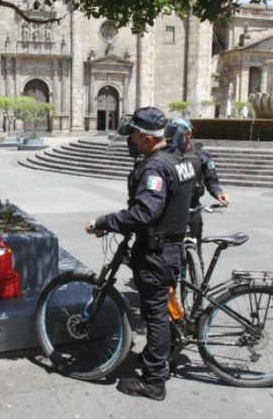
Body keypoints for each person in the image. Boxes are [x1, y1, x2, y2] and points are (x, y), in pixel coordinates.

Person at [85, 107, 195, 401]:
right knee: (162, 308)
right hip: (171, 246)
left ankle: (154, 382)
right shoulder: (179, 158)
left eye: (133, 135)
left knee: (155, 314)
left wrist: (104, 222)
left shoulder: (154, 168)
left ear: (147, 138)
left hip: (157, 251)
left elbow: (145, 211)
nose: (129, 140)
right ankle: (157, 358)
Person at [165, 117, 230, 268]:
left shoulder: (201, 154)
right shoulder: (165, 154)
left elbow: (211, 180)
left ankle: (197, 285)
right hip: (170, 212)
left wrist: (218, 193)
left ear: (187, 134)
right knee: (169, 255)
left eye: (176, 133)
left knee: (195, 252)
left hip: (192, 209)